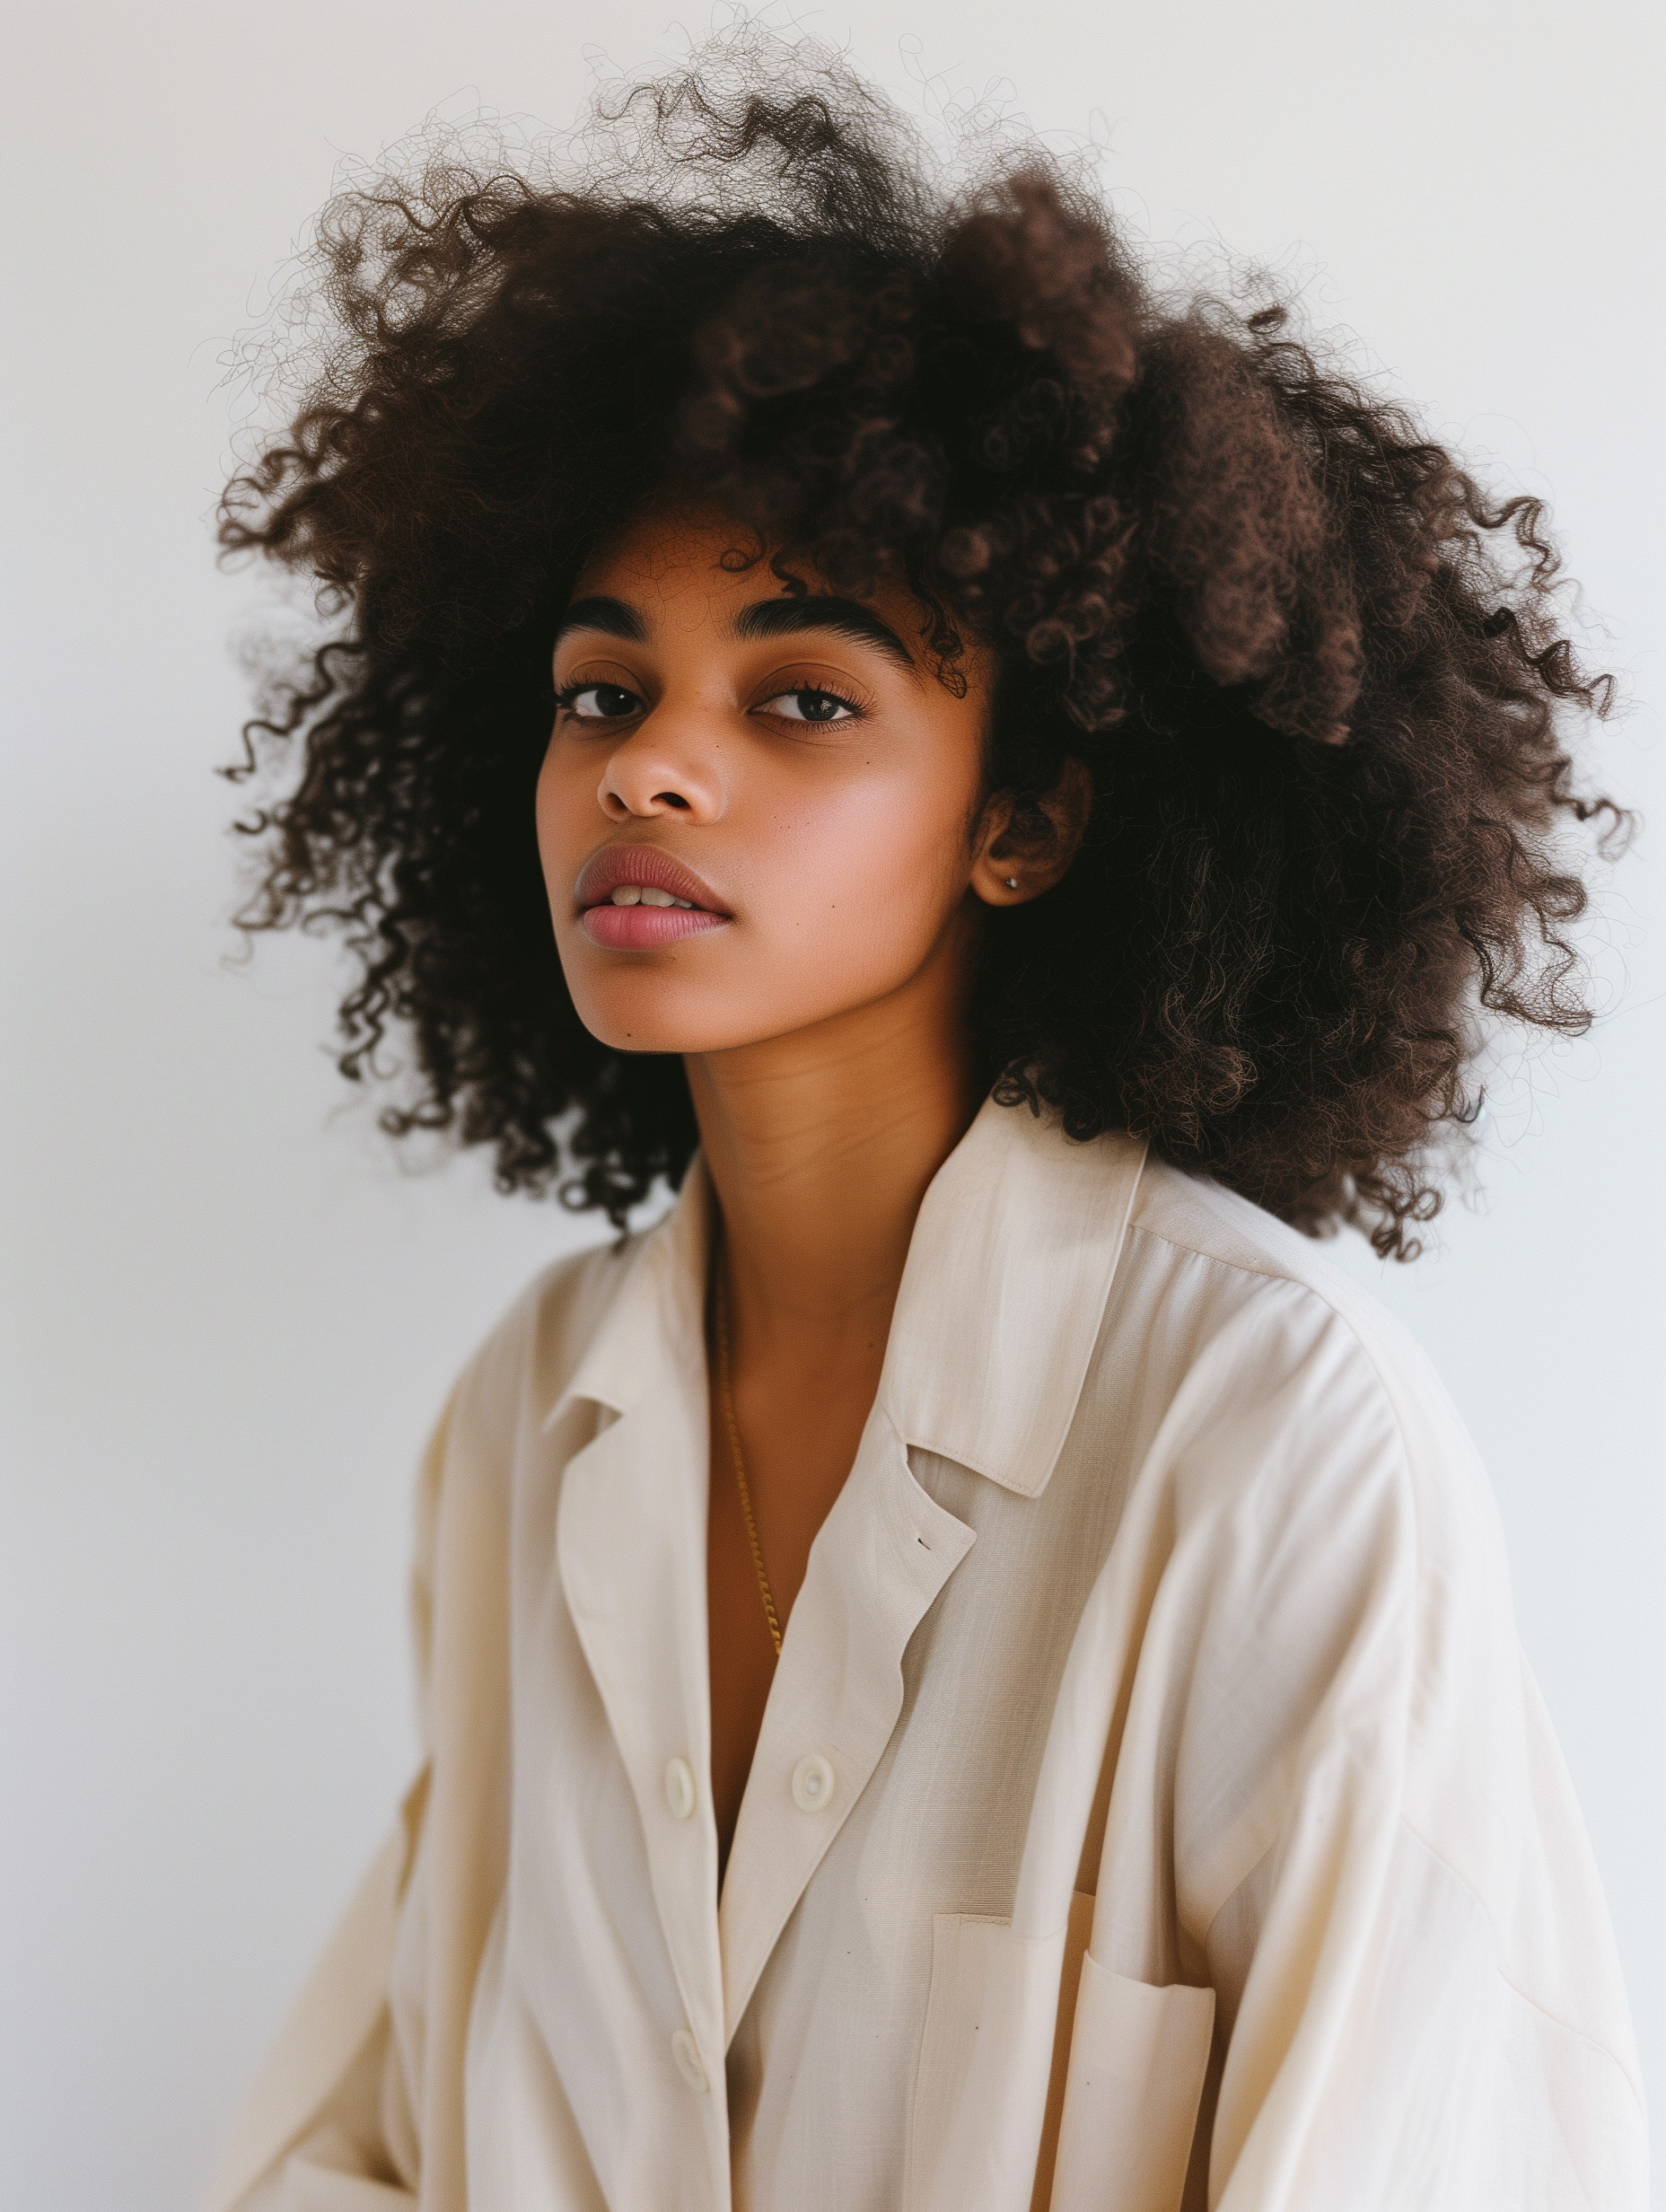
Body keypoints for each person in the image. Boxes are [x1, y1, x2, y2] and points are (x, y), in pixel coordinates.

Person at [206, 32, 1644, 2212]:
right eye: (604, 689)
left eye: (800, 696)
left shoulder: (1263, 1435)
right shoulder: (525, 1419)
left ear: (1030, 816)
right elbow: (370, 2140)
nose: (648, 768)